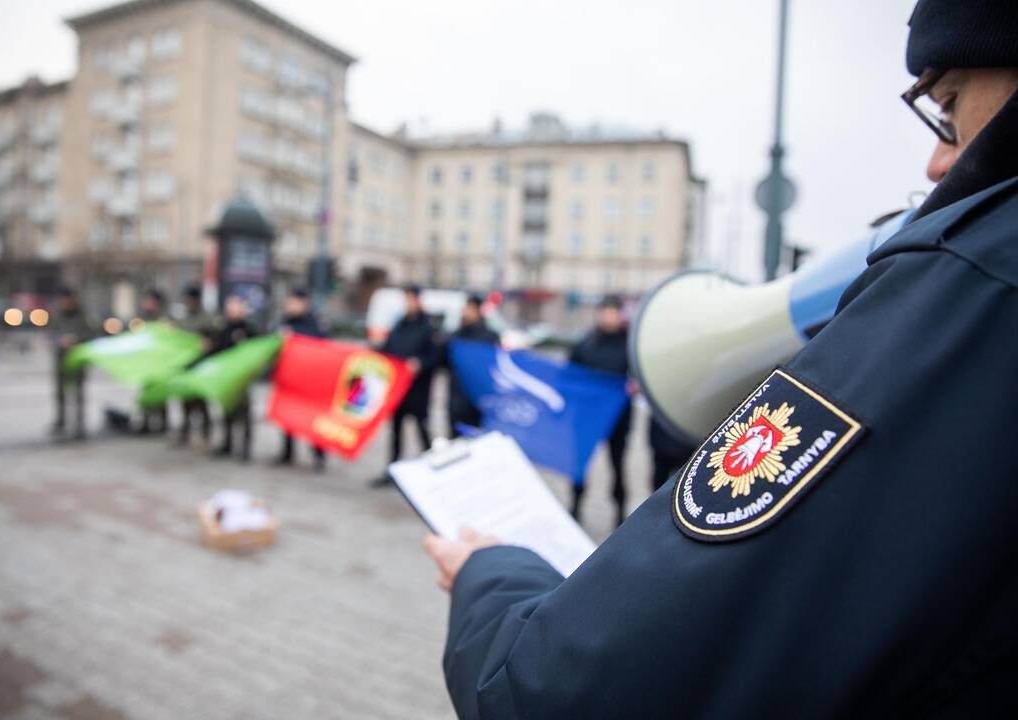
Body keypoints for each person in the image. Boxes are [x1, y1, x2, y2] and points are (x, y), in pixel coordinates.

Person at [422, 3, 1018, 717]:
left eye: (947, 104)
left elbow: (553, 690)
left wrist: (489, 573)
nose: (937, 159)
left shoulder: (977, 273)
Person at [567, 295, 632, 525]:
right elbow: (570, 377)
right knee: (580, 465)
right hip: (587, 417)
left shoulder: (629, 345)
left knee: (618, 465)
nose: (609, 317)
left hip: (618, 418)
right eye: (605, 311)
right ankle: (575, 507)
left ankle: (620, 512)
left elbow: (637, 377)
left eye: (614, 312)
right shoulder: (585, 344)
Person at [371, 285, 437, 487]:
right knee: (396, 432)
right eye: (406, 300)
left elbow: (435, 356)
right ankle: (393, 470)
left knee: (422, 431)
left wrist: (419, 363)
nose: (408, 304)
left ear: (418, 300)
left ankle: (433, 469)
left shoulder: (428, 327)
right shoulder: (400, 324)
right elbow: (389, 349)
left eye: (411, 299)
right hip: (398, 389)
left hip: (418, 390)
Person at [274, 288, 328, 471]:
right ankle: (287, 452)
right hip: (289, 377)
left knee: (313, 418)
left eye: (293, 302)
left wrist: (294, 336)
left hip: (309, 380)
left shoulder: (314, 323)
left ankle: (319, 456)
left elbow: (321, 344)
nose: (289, 306)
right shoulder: (285, 321)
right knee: (287, 417)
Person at [442, 295, 499, 438]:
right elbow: (445, 363)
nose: (466, 313)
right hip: (456, 398)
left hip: (476, 401)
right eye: (466, 308)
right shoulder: (456, 336)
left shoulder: (489, 337)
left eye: (471, 309)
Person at [210, 295, 258, 460]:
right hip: (226, 378)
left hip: (243, 380)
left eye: (237, 306)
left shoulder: (250, 329)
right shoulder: (223, 328)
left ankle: (245, 449)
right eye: (230, 306)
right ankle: (227, 444)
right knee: (226, 413)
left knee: (244, 416)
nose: (233, 310)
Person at [174, 284, 219, 446]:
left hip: (201, 366)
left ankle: (206, 434)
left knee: (201, 403)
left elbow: (214, 338)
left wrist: (207, 343)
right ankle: (185, 432)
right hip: (186, 365)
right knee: (185, 402)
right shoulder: (183, 317)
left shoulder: (207, 318)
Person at [48, 287, 93, 440]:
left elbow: (91, 334)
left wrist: (76, 340)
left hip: (78, 359)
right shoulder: (56, 314)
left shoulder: (83, 315)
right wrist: (59, 341)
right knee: (60, 393)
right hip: (61, 358)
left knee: (78, 393)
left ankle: (79, 424)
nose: (66, 303)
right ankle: (61, 422)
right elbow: (50, 333)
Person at [137, 288, 170, 434]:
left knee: (161, 393)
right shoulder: (142, 318)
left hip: (161, 362)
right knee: (146, 392)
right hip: (147, 362)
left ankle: (162, 423)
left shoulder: (164, 318)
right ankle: (145, 422)